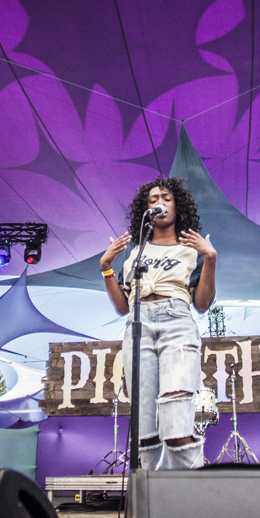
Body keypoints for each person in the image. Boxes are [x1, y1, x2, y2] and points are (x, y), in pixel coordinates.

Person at [100, 176, 216, 470]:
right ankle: (153, 493)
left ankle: (196, 493)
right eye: (152, 200)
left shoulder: (192, 250)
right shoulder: (134, 254)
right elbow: (122, 307)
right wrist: (106, 268)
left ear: (178, 206)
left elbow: (202, 304)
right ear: (146, 210)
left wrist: (210, 258)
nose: (159, 204)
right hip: (138, 327)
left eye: (166, 198)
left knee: (176, 424)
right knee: (145, 432)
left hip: (176, 322)